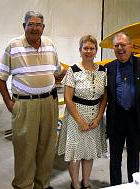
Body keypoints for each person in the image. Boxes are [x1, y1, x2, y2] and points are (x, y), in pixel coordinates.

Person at [0, 11, 61, 189]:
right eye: (30, 24)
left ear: (43, 28)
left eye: (38, 24)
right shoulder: (13, 46)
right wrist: (9, 103)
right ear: (23, 26)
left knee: (47, 148)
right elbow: (0, 77)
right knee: (25, 149)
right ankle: (23, 186)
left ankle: (42, 185)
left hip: (49, 103)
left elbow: (56, 71)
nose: (34, 28)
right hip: (25, 104)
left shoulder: (50, 44)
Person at [105, 32, 140, 186]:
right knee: (115, 157)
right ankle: (115, 185)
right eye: (116, 45)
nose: (119, 48)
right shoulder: (109, 68)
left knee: (134, 156)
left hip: (136, 117)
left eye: (123, 44)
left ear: (131, 46)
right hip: (116, 118)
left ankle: (132, 185)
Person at [57, 35, 107, 189]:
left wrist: (99, 118)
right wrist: (80, 120)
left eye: (92, 48)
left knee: (89, 152)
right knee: (75, 154)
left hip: (94, 117)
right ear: (80, 51)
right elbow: (68, 98)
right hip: (75, 116)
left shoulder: (103, 71)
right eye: (85, 48)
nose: (88, 51)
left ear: (96, 51)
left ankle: (86, 183)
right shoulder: (73, 71)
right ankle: (76, 185)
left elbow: (105, 97)